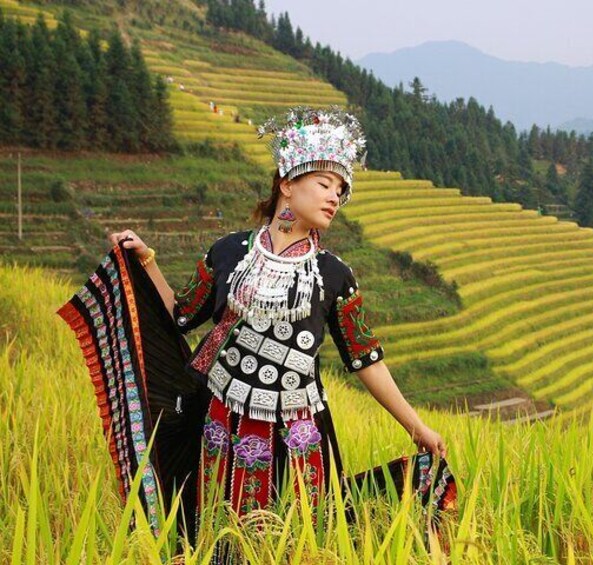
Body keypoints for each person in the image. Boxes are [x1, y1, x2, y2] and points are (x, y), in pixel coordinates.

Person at [62, 106, 453, 553]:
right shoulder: (228, 252)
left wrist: (416, 427)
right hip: (222, 426)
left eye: (340, 190)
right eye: (324, 183)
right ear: (287, 183)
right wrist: (146, 260)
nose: (334, 197)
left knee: (301, 543)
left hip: (300, 435)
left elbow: (366, 360)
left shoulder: (333, 274)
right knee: (221, 539)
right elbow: (181, 315)